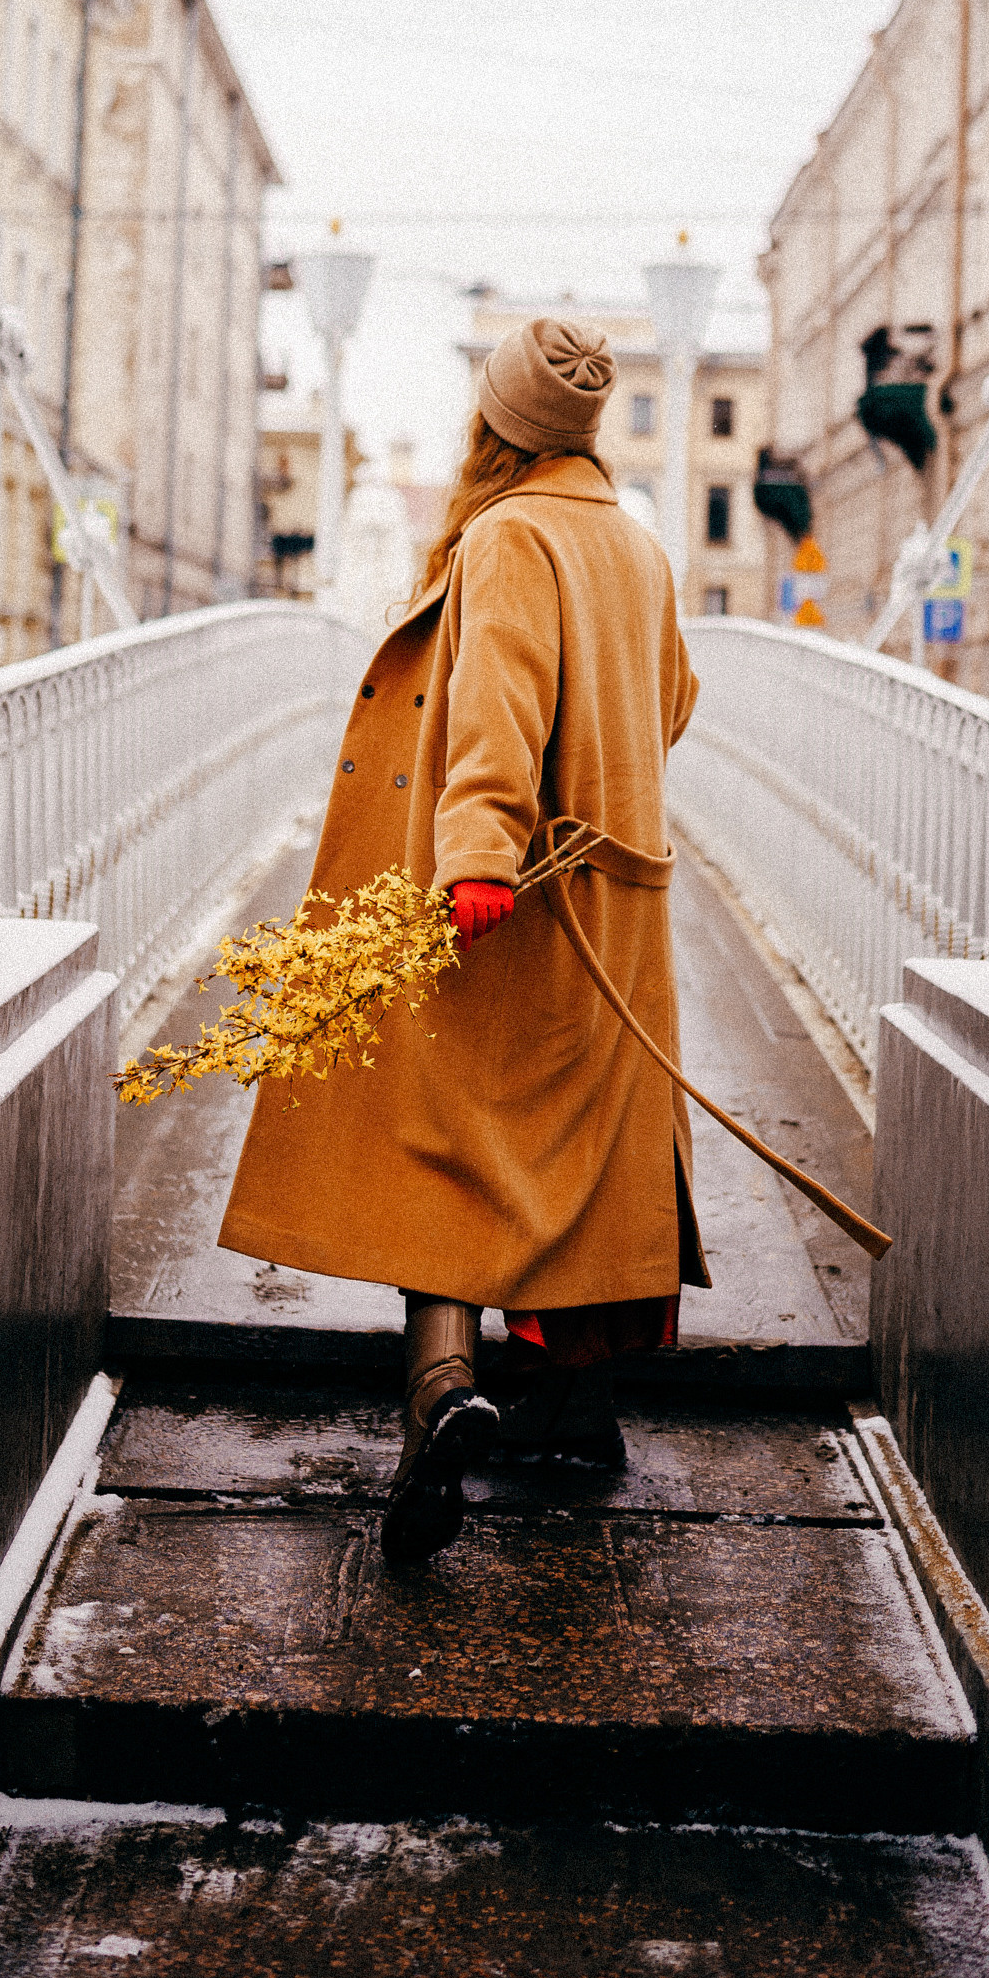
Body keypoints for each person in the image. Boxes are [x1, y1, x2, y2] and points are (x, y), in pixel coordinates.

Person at [218, 316, 706, 1563]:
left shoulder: (507, 534)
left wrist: (478, 851)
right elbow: (674, 701)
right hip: (616, 905)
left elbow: (497, 697)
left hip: (508, 907)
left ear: (493, 427)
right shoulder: (633, 545)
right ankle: (573, 1419)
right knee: (579, 1163)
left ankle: (443, 1395)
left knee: (441, 1145)